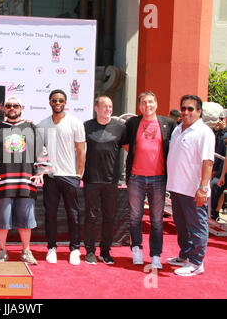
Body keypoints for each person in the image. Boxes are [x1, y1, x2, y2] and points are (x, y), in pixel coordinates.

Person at [0, 96, 52, 265]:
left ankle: (26, 251)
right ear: (4, 109)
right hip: (1, 182)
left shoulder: (31, 128)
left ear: (21, 108)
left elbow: (41, 150)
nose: (12, 108)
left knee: (26, 221)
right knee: (2, 220)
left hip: (25, 182)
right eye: (8, 106)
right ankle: (2, 251)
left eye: (15, 105)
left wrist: (41, 171)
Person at [124, 91, 176, 269]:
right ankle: (136, 249)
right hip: (136, 177)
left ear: (156, 103)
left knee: (156, 220)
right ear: (139, 106)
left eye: (151, 102)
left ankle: (155, 255)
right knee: (135, 217)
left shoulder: (167, 123)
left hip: (159, 179)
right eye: (144, 103)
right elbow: (124, 142)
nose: (148, 105)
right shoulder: (133, 123)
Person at [166, 95, 215, 276]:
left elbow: (208, 161)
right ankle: (185, 256)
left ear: (199, 112)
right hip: (177, 188)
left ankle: (196, 263)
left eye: (190, 109)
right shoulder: (178, 129)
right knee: (182, 226)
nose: (186, 112)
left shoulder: (204, 132)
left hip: (194, 191)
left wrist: (203, 188)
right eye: (183, 108)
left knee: (196, 226)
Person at [37, 89, 85, 265]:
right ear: (50, 102)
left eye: (61, 100)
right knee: (50, 214)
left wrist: (79, 174)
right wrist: (41, 171)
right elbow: (37, 151)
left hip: (70, 176)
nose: (58, 103)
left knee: (73, 214)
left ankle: (75, 249)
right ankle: (51, 248)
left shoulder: (75, 123)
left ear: (65, 103)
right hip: (50, 177)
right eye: (54, 100)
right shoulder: (42, 124)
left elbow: (81, 150)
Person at [83, 96, 128, 265]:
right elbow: (78, 150)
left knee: (109, 217)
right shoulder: (86, 126)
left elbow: (128, 149)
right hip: (91, 180)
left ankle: (105, 251)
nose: (108, 109)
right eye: (104, 106)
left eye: (110, 106)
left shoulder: (120, 128)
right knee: (91, 217)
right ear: (96, 108)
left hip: (111, 181)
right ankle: (89, 251)